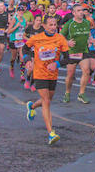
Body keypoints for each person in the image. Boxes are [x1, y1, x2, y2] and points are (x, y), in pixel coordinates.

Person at [25, 15, 70, 145]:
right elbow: (25, 48)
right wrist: (28, 60)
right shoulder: (37, 38)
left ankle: (32, 106)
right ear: (44, 26)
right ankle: (51, 133)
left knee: (48, 99)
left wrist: (57, 64)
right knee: (46, 102)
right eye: (50, 25)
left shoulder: (60, 38)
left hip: (52, 75)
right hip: (39, 74)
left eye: (55, 25)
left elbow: (67, 58)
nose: (53, 27)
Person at [61, 3, 95, 104]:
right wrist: (67, 42)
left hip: (83, 51)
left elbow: (88, 33)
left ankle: (81, 94)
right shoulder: (69, 24)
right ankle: (67, 93)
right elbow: (60, 36)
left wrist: (90, 39)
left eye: (82, 10)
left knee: (87, 71)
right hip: (72, 52)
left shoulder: (86, 22)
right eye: (79, 11)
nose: (81, 12)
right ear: (74, 13)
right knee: (70, 74)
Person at [23, 14, 44, 91]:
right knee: (31, 68)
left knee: (36, 69)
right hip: (29, 50)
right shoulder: (29, 28)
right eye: (37, 20)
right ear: (34, 20)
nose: (38, 22)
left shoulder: (42, 29)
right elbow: (24, 36)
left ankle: (32, 83)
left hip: (38, 51)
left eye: (40, 21)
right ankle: (28, 79)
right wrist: (29, 40)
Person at [6, 7, 26, 79]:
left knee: (22, 58)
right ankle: (11, 67)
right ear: (17, 12)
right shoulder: (14, 20)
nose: (21, 12)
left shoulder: (24, 20)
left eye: (22, 11)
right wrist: (16, 26)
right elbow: (8, 31)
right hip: (14, 41)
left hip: (21, 41)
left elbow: (24, 30)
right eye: (19, 11)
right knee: (13, 58)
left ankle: (22, 75)